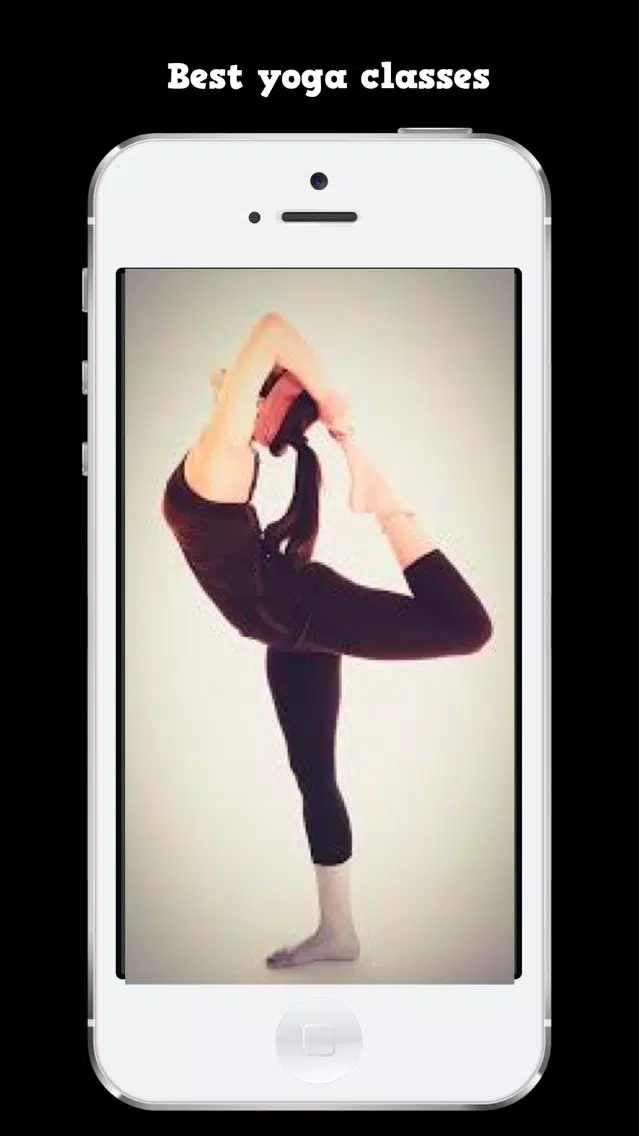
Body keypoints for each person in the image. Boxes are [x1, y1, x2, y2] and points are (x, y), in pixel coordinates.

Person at [162, 312, 492, 969]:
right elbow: (244, 355)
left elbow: (267, 338)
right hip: (285, 633)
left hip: (304, 610)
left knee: (466, 629)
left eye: (289, 411)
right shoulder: (222, 436)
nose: (281, 417)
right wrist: (303, 393)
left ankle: (385, 503)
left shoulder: (224, 452)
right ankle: (337, 933)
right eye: (285, 401)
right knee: (313, 774)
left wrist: (334, 417)